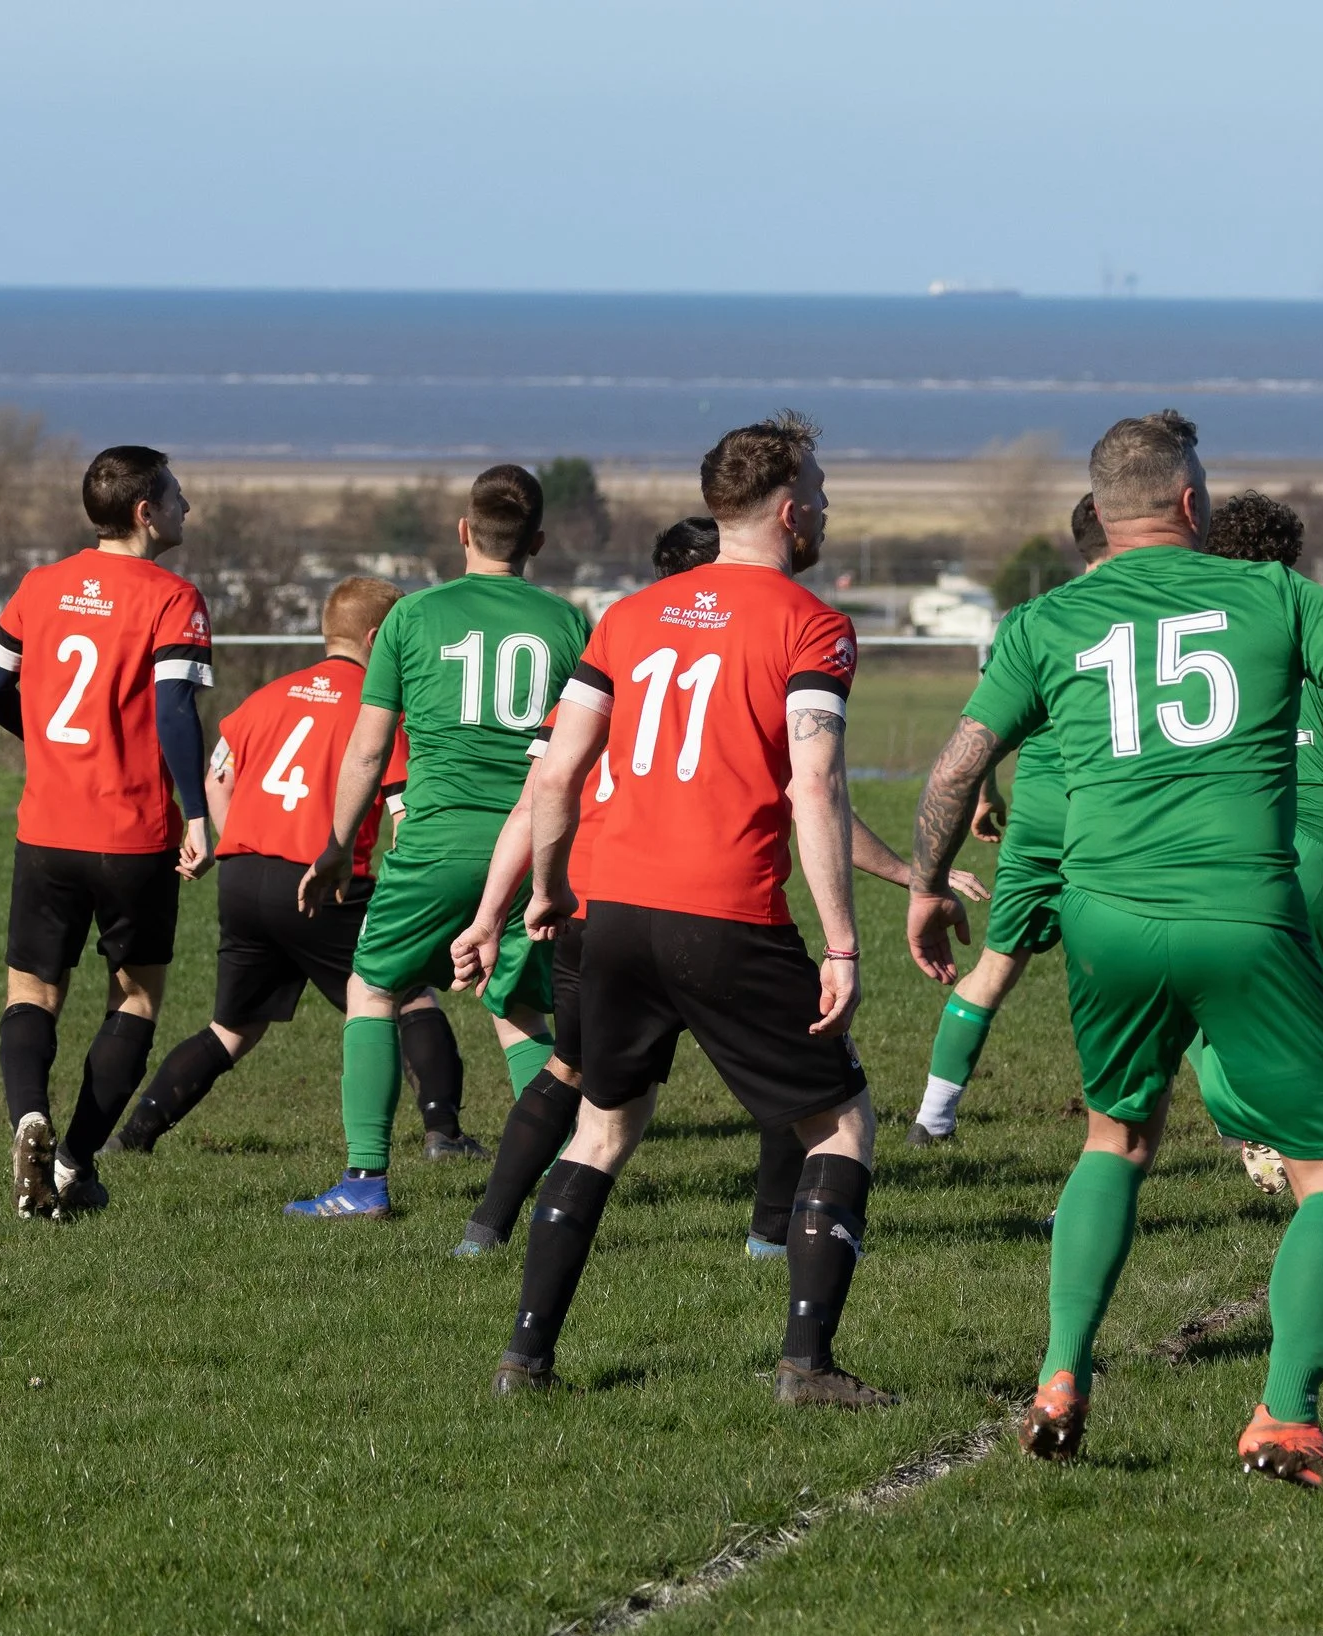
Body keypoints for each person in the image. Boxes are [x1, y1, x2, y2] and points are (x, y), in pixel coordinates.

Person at [906, 411, 1323, 1491]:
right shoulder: (1276, 595)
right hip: (1243, 915)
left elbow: (957, 770)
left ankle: (1059, 1377)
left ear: (1097, 515)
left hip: (1105, 920)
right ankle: (1285, 1416)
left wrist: (922, 886)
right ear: (1191, 505)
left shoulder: (1042, 623)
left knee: (1116, 1140)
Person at [493, 413, 909, 1408]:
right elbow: (814, 787)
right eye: (816, 489)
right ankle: (806, 1366)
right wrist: (842, 944)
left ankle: (526, 1358)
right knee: (841, 1122)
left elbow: (556, 777)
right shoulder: (810, 623)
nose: (822, 506)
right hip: (720, 910)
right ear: (782, 505)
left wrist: (549, 888)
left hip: (614, 913)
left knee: (603, 1129)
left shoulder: (630, 616)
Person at [447, 516, 982, 1261]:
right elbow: (813, 795)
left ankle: (488, 1239)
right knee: (801, 1071)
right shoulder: (748, 652)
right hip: (704, 908)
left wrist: (492, 913)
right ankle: (770, 1242)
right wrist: (907, 879)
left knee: (577, 1078)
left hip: (595, 911)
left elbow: (541, 792)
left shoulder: (617, 653)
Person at [285, 465, 590, 1219]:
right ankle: (553, 1184)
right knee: (515, 1004)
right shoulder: (570, 623)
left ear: (463, 532)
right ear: (539, 543)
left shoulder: (411, 618)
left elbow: (366, 749)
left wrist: (334, 844)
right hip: (529, 847)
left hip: (435, 841)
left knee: (373, 987)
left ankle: (363, 1183)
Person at [107, 579, 472, 1154]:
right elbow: (405, 809)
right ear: (379, 638)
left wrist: (242, 843)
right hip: (321, 883)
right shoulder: (380, 710)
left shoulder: (267, 697)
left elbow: (216, 778)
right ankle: (444, 1133)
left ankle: (132, 1137)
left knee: (233, 1027)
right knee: (408, 994)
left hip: (245, 878)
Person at [0, 445, 214, 1218]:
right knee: (136, 999)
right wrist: (201, 813)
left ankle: (29, 1121)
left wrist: (46, 739)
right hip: (133, 834)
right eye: (177, 495)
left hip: (46, 828)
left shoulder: (41, 586)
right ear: (145, 512)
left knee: (32, 993)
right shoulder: (173, 598)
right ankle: (74, 1162)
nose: (187, 507)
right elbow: (176, 711)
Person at [1191, 490, 1323, 1195]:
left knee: (1206, 996)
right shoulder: (1306, 616)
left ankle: (1252, 1124)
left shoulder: (1191, 632)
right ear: (1291, 558)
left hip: (1221, 839)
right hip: (1318, 834)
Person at [908, 492, 1108, 1145]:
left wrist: (988, 792)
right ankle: (1233, 1126)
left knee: (995, 966)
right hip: (1115, 819)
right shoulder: (1155, 616)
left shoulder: (1035, 618)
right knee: (1154, 978)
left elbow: (984, 728)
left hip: (1041, 820)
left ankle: (932, 1120)